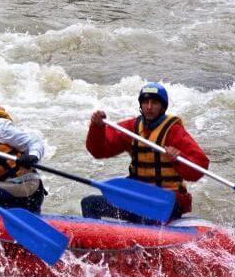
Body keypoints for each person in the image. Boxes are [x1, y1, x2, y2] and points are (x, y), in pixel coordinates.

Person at [83, 82, 208, 223]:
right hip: (138, 197)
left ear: (162, 106)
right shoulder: (131, 128)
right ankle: (95, 243)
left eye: (154, 103)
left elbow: (201, 166)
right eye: (145, 102)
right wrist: (97, 128)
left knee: (146, 216)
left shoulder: (174, 131)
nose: (149, 107)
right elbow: (99, 151)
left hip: (167, 201)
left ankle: (140, 241)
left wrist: (178, 158)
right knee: (90, 204)